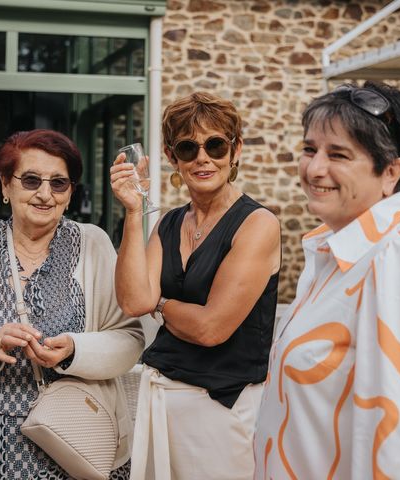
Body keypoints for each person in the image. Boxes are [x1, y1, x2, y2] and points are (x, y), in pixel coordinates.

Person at [255, 82, 400, 479]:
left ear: (391, 172)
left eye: (339, 155)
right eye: (310, 149)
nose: (315, 169)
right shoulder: (344, 252)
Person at [0, 129, 144, 480]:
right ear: (6, 185)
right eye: (31, 180)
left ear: (71, 193)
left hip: (80, 445)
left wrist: (74, 350)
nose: (45, 194)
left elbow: (130, 339)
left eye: (59, 183)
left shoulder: (94, 245)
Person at [110, 92, 281, 480]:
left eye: (215, 144)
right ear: (174, 158)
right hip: (162, 401)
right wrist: (134, 211)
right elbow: (134, 299)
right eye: (188, 148)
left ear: (235, 151)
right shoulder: (169, 223)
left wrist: (161, 303)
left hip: (222, 410)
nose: (203, 157)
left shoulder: (257, 224)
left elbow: (210, 329)